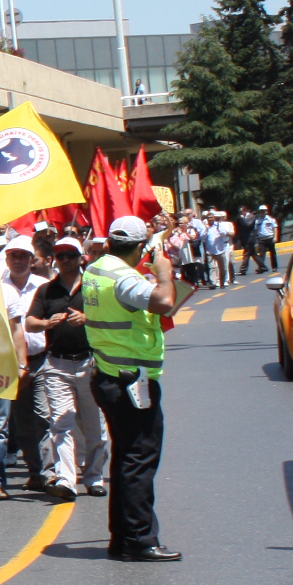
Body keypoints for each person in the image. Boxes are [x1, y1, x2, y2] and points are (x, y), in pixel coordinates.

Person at [84, 215, 191, 562]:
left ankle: (123, 536)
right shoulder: (122, 276)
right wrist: (163, 274)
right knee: (139, 460)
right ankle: (140, 539)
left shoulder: (97, 268)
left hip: (108, 374)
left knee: (126, 458)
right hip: (129, 378)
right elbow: (161, 301)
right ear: (140, 247)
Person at [25, 238, 108, 503]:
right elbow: (29, 323)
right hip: (56, 364)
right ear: (54, 260)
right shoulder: (46, 291)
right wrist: (48, 322)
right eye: (60, 256)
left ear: (81, 257)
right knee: (61, 424)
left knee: (95, 426)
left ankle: (94, 477)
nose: (65, 261)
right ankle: (66, 479)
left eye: (70, 255)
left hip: (89, 363)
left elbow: (111, 320)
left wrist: (87, 319)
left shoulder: (94, 287)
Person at [0, 236, 46, 500]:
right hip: (10, 364)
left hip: (45, 359)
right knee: (23, 423)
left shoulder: (45, 286)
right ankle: (36, 472)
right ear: (7, 259)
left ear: (32, 259)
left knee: (47, 417)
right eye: (14, 256)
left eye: (24, 256)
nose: (19, 261)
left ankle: (52, 470)